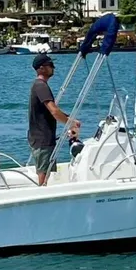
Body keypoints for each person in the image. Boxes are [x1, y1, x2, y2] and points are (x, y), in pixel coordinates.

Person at [28, 54, 80, 186]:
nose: (53, 67)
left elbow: (50, 110)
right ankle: (41, 194)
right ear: (41, 68)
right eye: (50, 65)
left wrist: (69, 119)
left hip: (42, 136)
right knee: (43, 174)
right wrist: (71, 123)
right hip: (42, 137)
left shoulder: (39, 85)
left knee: (45, 171)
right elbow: (54, 111)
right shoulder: (41, 86)